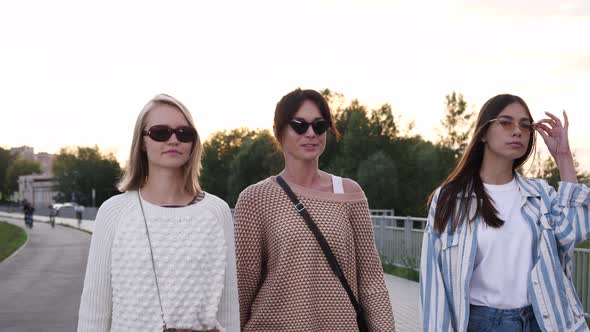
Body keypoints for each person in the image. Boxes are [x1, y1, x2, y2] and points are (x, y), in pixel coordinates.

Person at [420, 94, 590, 332]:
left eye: (525, 125)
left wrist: (563, 157)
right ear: (482, 134)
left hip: (542, 321)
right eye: (506, 122)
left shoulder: (540, 194)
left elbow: (575, 232)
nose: (517, 131)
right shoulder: (451, 198)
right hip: (481, 323)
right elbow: (433, 282)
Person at [234, 88, 396, 331]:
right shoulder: (255, 199)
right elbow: (242, 286)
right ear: (279, 131)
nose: (311, 133)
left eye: (319, 126)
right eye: (300, 125)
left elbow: (371, 281)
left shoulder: (349, 194)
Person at [77, 94, 239, 332]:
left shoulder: (217, 212)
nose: (174, 140)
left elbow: (228, 309)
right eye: (161, 132)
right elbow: (95, 311)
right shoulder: (114, 213)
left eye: (184, 133)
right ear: (142, 141)